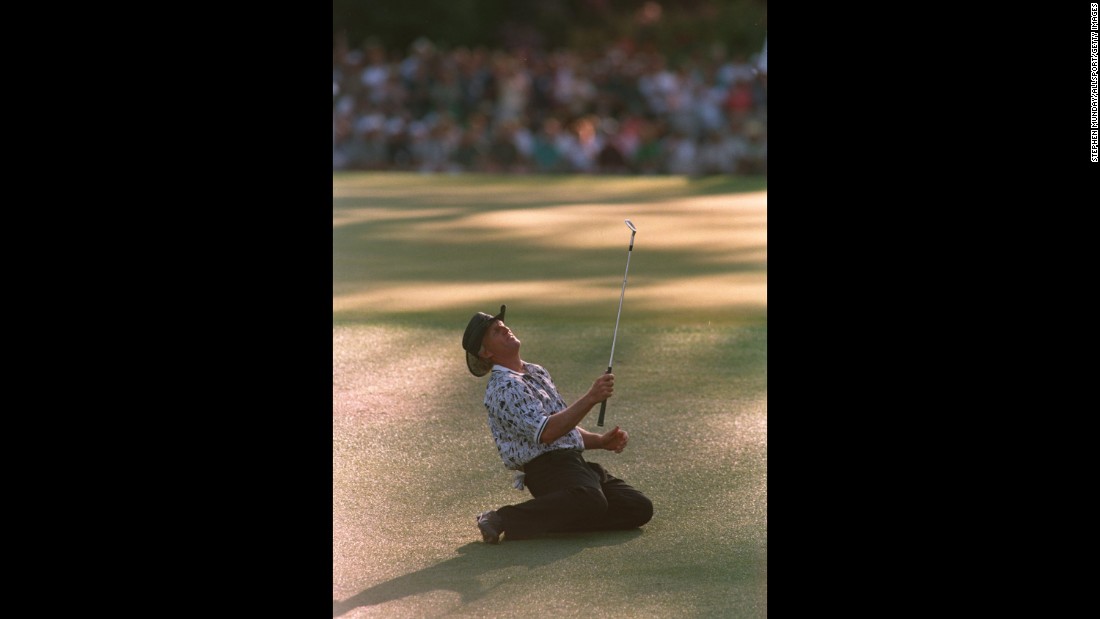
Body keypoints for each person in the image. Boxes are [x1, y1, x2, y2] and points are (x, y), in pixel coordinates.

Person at [462, 304, 654, 544]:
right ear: (487, 353)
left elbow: (562, 423)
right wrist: (592, 397)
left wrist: (599, 441)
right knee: (591, 500)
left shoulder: (536, 371)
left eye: (503, 326)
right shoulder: (504, 387)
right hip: (547, 471)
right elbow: (548, 432)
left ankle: (553, 519)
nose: (505, 329)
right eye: (495, 331)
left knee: (638, 508)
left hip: (575, 465)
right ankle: (500, 519)